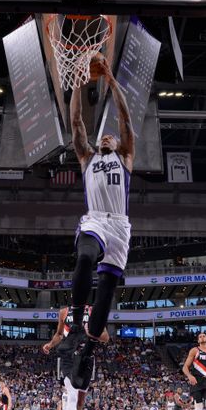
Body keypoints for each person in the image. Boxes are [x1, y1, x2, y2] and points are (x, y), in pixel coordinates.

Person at [60, 54, 135, 391]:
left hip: (120, 227)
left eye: (111, 137)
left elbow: (125, 117)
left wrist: (110, 78)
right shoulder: (87, 158)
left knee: (106, 292)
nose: (106, 137)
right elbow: (76, 121)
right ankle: (76, 321)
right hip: (95, 221)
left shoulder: (126, 158)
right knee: (85, 256)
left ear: (118, 145)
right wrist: (79, 82)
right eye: (102, 136)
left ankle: (88, 350)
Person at [42, 303, 109, 410]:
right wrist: (50, 345)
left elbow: (106, 337)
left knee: (80, 400)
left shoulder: (94, 311)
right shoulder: (64, 312)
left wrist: (93, 333)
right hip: (68, 357)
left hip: (86, 357)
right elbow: (59, 335)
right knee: (71, 396)